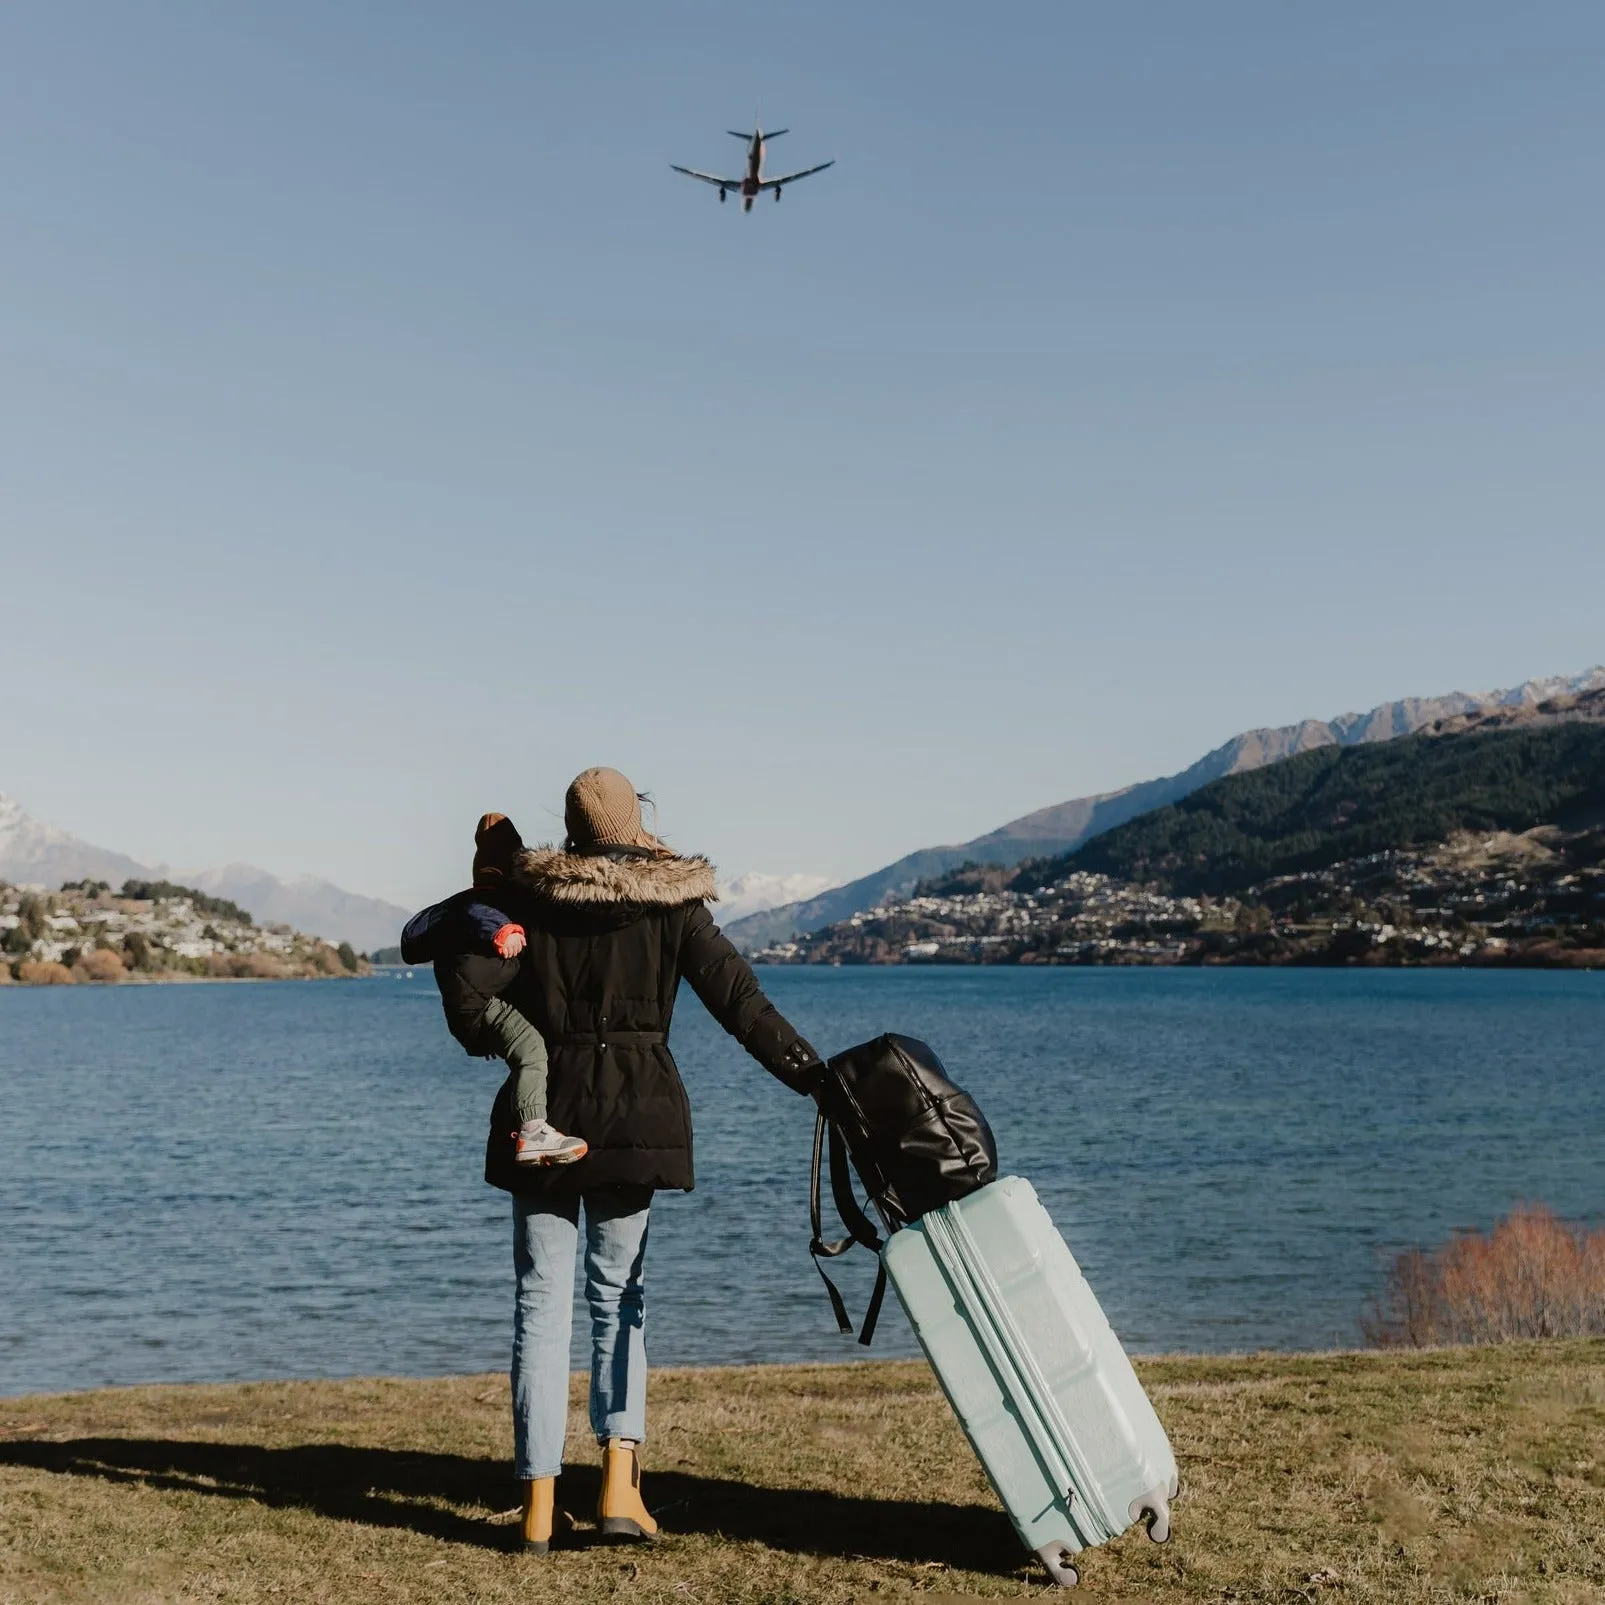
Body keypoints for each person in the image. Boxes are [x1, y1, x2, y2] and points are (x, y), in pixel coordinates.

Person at [436, 768, 823, 1555]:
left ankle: (538, 1506)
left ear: (573, 828)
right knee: (619, 1296)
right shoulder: (671, 901)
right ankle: (619, 1490)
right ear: (634, 823)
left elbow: (469, 993)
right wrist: (812, 1075)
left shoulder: (527, 900)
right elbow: (740, 1002)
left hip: (543, 1118)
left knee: (540, 1306)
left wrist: (509, 1039)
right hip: (636, 1115)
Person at [400, 813, 586, 1165]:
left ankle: (532, 1124)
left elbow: (412, 938)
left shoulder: (455, 906)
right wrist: (504, 932)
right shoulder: (487, 905)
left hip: (467, 1010)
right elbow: (481, 915)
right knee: (531, 1051)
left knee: (520, 1048)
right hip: (481, 1004)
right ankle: (533, 1132)